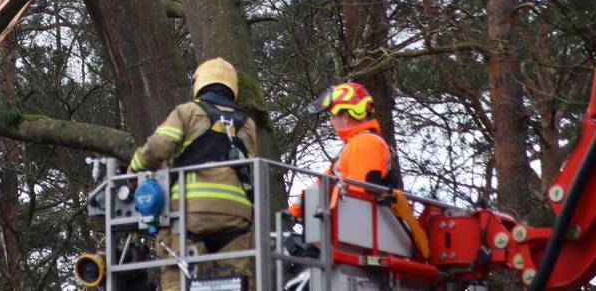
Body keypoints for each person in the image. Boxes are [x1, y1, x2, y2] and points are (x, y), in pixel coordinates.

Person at [128, 57, 258, 291]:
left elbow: (158, 147)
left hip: (190, 213)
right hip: (236, 215)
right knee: (240, 279)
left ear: (199, 83)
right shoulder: (248, 123)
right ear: (233, 87)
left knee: (179, 277)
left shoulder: (187, 112)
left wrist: (133, 170)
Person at [289, 82, 428, 258]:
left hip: (353, 235)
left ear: (346, 115)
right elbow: (322, 183)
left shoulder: (364, 144)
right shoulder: (354, 145)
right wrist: (292, 212)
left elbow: (358, 196)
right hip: (343, 232)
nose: (331, 121)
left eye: (332, 115)